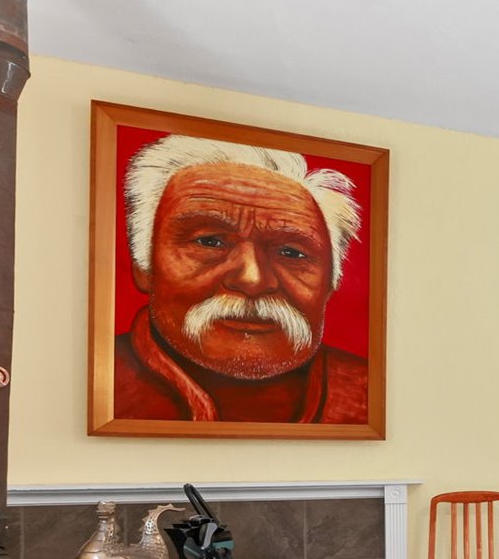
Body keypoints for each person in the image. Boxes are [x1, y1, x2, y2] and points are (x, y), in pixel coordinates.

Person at [112, 136, 368, 423]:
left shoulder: (370, 393)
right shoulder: (89, 380)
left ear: (330, 284)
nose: (253, 279)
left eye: (290, 252)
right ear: (144, 267)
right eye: (209, 242)